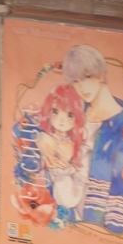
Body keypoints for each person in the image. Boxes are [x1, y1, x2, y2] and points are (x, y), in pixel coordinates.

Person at [62, 44, 123, 235]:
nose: (81, 87)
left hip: (101, 222)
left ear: (101, 75)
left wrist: (113, 232)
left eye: (87, 77)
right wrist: (42, 139)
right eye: (75, 81)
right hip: (66, 211)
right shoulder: (73, 110)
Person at [35, 83, 88, 220]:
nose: (62, 120)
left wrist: (62, 174)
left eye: (70, 115)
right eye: (55, 112)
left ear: (77, 118)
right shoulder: (42, 139)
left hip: (65, 204)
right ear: (48, 112)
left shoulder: (78, 148)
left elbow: (72, 198)